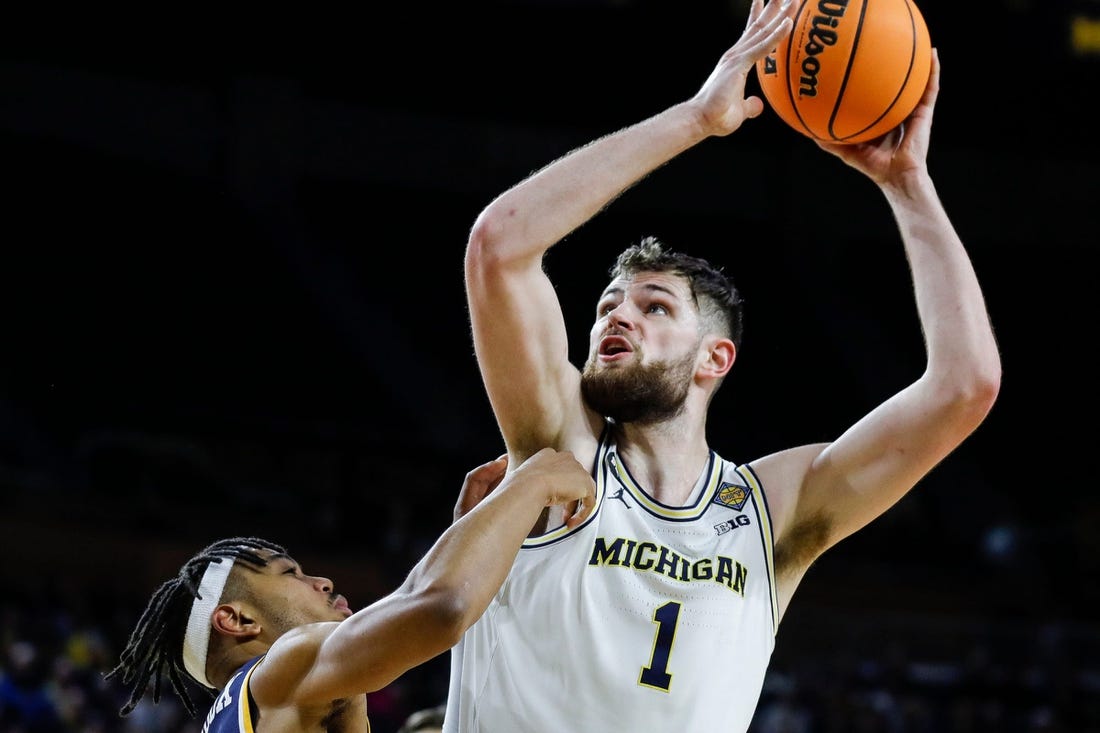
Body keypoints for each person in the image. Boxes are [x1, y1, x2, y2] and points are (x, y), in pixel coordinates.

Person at [446, 0, 1002, 730]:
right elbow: (500, 245)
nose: (617, 314)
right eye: (608, 304)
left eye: (654, 306)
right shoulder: (560, 449)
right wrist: (698, 120)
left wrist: (906, 185)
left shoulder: (771, 510)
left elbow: (965, 385)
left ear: (717, 357)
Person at [105, 448, 594, 732]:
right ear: (237, 620)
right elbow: (439, 606)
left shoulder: (251, 711)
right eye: (289, 574)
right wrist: (533, 481)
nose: (322, 581)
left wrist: (476, 534)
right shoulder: (282, 668)